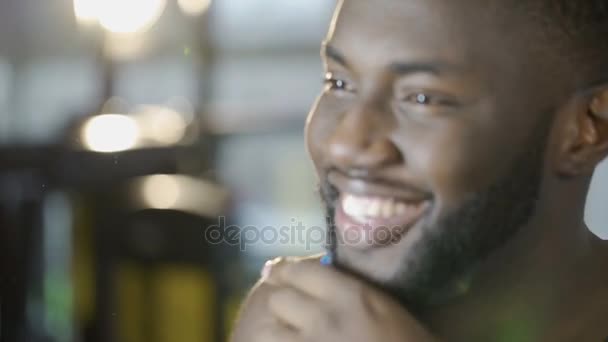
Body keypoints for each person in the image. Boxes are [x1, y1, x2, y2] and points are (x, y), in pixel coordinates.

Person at [231, 0, 608, 340]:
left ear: (587, 130)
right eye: (339, 82)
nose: (343, 143)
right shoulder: (291, 326)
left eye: (423, 98)